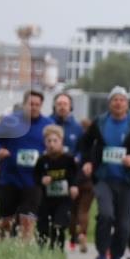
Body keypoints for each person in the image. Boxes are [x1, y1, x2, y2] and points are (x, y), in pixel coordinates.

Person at [81, 86, 130, 259]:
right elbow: (84, 144)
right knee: (106, 215)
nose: (118, 103)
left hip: (127, 181)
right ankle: (101, 257)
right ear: (109, 103)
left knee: (124, 225)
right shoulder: (99, 122)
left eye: (122, 100)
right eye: (115, 99)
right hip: (104, 179)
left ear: (127, 104)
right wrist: (88, 162)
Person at [0, 90, 54, 241]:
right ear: (24, 104)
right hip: (10, 177)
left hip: (34, 179)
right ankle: (1, 243)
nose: (34, 107)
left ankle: (23, 249)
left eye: (37, 105)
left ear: (41, 106)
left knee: (27, 217)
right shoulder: (11, 121)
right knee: (6, 218)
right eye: (31, 104)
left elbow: (56, 146)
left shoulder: (48, 125)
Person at [34, 124, 80, 250]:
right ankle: (42, 250)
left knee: (59, 225)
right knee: (43, 226)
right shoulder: (42, 160)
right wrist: (42, 180)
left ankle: (57, 250)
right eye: (49, 141)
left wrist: (74, 186)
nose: (52, 144)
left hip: (63, 200)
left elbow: (75, 175)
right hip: (46, 199)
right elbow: (35, 177)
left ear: (61, 142)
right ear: (44, 142)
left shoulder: (68, 159)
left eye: (55, 141)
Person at [50, 92, 86, 249]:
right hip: (49, 175)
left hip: (68, 176)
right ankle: (46, 241)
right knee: (47, 211)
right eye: (59, 104)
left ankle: (59, 242)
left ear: (70, 107)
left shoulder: (77, 128)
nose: (62, 107)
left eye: (65, 104)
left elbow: (82, 150)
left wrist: (78, 158)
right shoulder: (48, 124)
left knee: (64, 211)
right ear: (54, 106)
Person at [72, 117, 95, 251]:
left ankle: (73, 232)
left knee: (73, 209)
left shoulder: (80, 139)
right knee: (84, 209)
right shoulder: (96, 142)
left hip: (76, 178)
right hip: (89, 179)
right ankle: (83, 234)